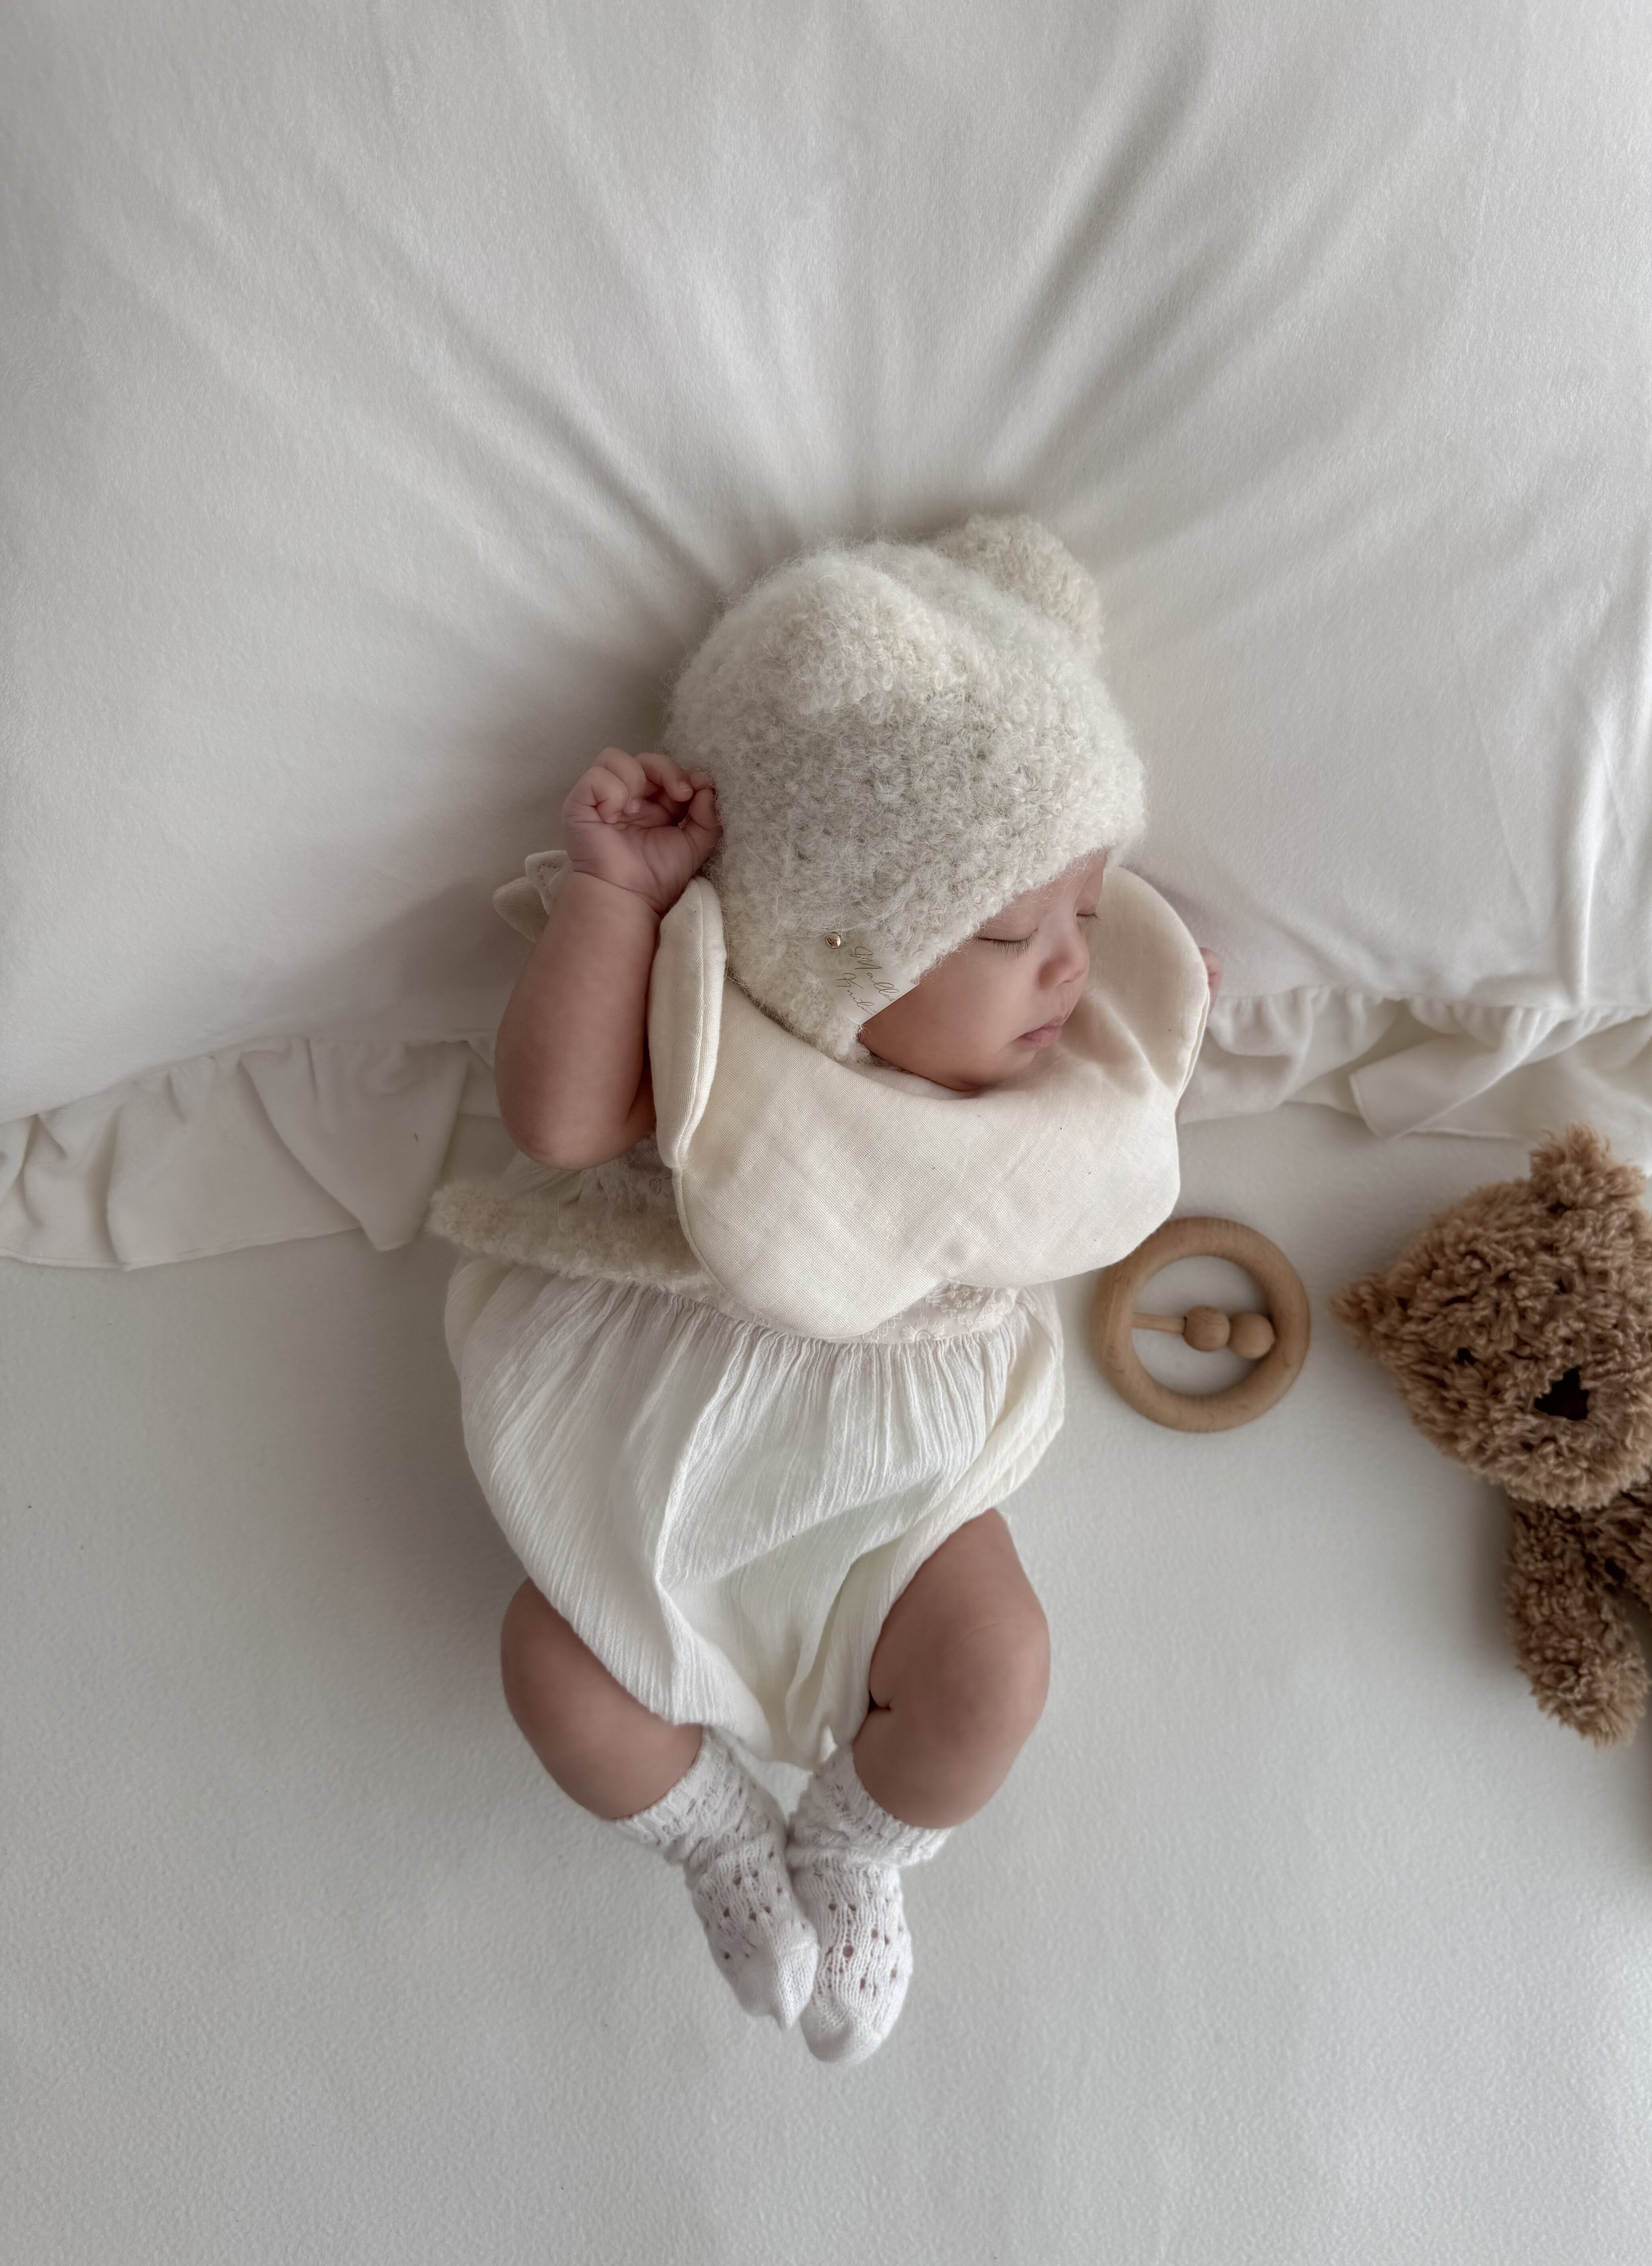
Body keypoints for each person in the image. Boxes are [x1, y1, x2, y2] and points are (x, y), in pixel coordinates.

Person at [431, 516, 1218, 2064]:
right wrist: (614, 902)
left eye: (1085, 913)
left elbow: (1094, 1175)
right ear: (835, 935)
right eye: (1012, 933)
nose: (1070, 967)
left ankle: (855, 1844)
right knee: (551, 1667)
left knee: (996, 1669)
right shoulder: (710, 1025)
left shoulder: (1033, 1084)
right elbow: (559, 1123)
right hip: (644, 1477)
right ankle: (717, 1838)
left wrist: (1147, 1058)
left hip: (890, 1491)